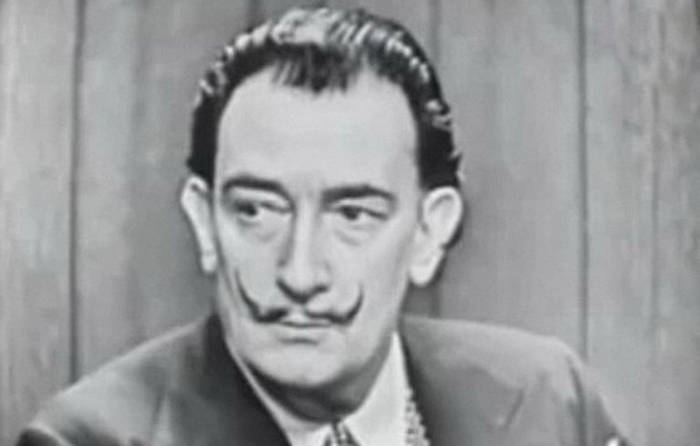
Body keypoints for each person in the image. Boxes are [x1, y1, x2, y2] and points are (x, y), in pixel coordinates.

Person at [18, 7, 628, 446]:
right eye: (257, 210)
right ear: (204, 223)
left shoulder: (550, 404)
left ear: (429, 232)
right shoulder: (87, 440)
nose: (301, 272)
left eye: (353, 214)